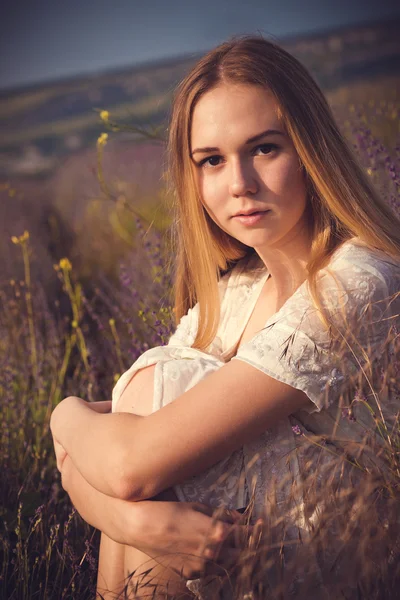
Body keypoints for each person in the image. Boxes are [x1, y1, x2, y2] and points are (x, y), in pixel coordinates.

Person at [50, 34, 400, 599]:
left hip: (358, 557)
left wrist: (63, 420)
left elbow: (125, 466)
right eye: (212, 160)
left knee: (159, 393)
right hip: (257, 542)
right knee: (151, 397)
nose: (239, 184)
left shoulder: (357, 281)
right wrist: (141, 524)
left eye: (264, 148)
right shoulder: (237, 290)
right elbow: (106, 461)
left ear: (312, 150)